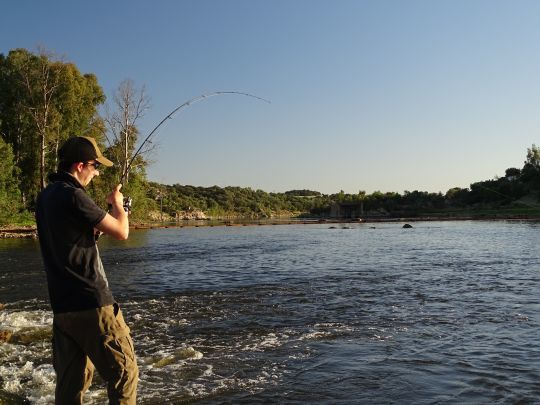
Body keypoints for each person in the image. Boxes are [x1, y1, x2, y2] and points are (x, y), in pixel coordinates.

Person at [35, 136, 138, 404]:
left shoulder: (45, 197)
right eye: (95, 165)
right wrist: (119, 206)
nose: (97, 171)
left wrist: (101, 220)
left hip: (63, 308)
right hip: (92, 304)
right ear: (80, 165)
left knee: (71, 385)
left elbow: (79, 236)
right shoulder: (74, 195)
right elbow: (122, 232)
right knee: (124, 374)